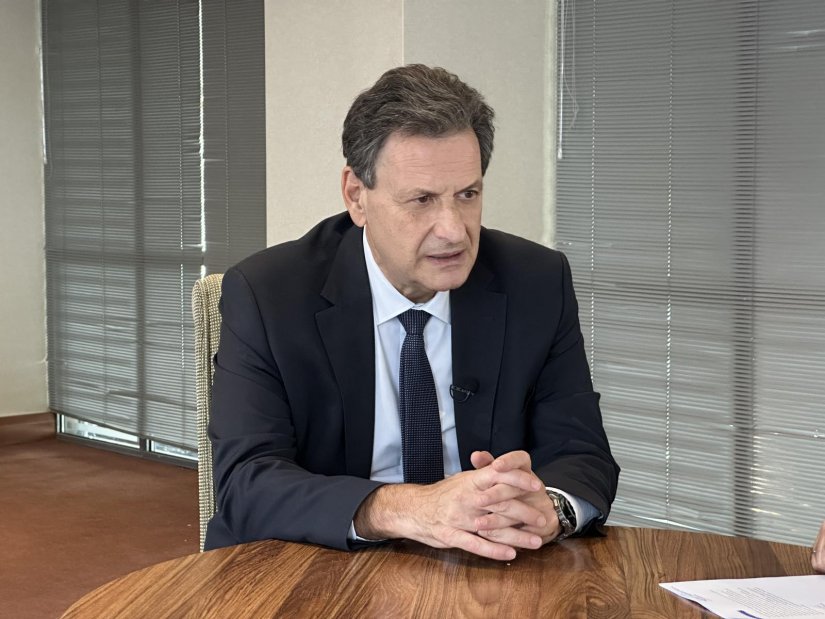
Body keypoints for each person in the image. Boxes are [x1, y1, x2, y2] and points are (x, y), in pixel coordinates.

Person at [204, 64, 619, 561]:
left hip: (484, 566)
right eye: (422, 200)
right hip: (319, 562)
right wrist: (406, 509)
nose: (453, 230)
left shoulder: (535, 281)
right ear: (357, 196)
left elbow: (581, 452)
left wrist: (550, 508)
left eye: (467, 195)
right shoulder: (268, 294)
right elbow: (246, 482)